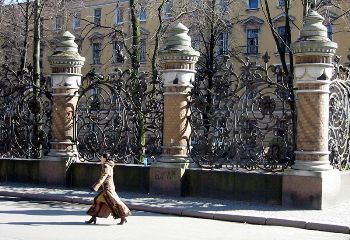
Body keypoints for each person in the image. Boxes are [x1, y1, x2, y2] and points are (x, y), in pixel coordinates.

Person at [85, 153, 131, 225]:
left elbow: (104, 176)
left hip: (107, 189)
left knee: (114, 203)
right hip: (107, 188)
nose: (100, 159)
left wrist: (95, 186)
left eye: (101, 157)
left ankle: (123, 218)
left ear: (105, 158)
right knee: (98, 201)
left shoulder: (106, 166)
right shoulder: (109, 165)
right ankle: (93, 218)